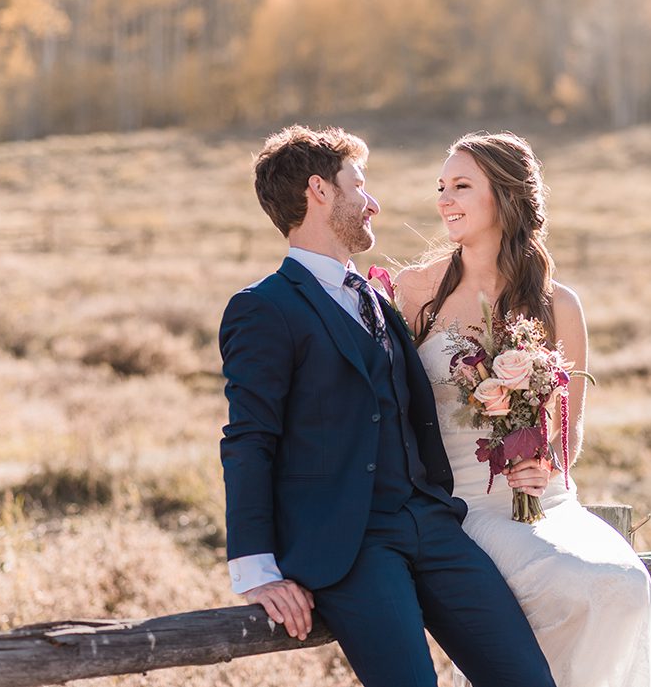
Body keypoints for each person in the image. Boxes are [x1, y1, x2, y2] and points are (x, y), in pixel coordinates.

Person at [218, 125, 557, 687]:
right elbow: (249, 439)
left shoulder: (376, 297)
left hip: (432, 524)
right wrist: (257, 571)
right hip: (350, 546)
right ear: (320, 192)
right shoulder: (264, 308)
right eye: (359, 185)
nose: (372, 202)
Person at [396, 131, 651, 687]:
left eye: (462, 186)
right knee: (567, 583)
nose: (445, 199)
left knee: (626, 585)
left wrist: (547, 463)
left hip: (549, 504)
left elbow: (572, 432)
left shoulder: (559, 304)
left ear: (506, 197)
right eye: (441, 186)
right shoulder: (416, 292)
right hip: (465, 506)